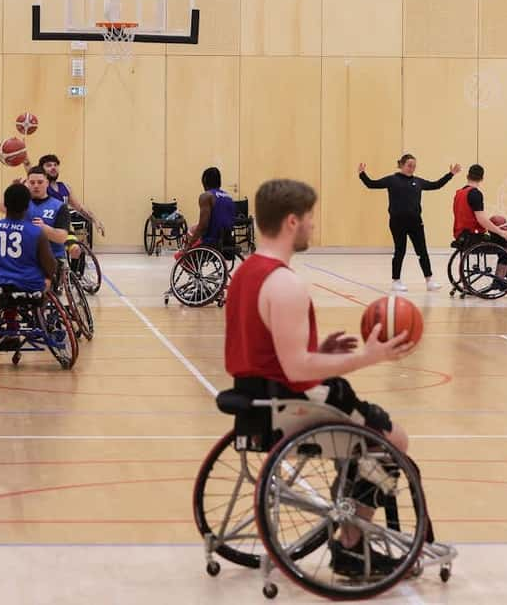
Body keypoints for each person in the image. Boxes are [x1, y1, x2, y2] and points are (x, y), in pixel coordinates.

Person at [225, 178, 414, 576]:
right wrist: (368, 356)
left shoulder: (246, 273)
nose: (314, 225)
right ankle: (350, 541)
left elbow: (268, 350)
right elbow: (297, 370)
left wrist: (319, 351)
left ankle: (348, 500)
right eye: (310, 217)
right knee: (393, 439)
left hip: (256, 393)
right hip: (288, 403)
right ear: (292, 221)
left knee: (367, 427)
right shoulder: (285, 283)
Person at [358, 154, 461, 292]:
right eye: (409, 165)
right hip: (397, 222)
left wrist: (451, 174)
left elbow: (436, 185)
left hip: (415, 222)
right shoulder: (392, 180)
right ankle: (396, 281)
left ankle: (429, 280)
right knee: (400, 250)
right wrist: (362, 174)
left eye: (414, 166)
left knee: (422, 251)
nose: (412, 168)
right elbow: (372, 184)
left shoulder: (418, 182)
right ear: (401, 165)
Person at [0, 183, 56, 292]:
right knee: (48, 280)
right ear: (28, 205)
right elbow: (50, 267)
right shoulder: (37, 232)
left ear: (5, 204)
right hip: (30, 286)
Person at [452, 164, 507, 288]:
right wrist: (501, 232)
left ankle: (500, 277)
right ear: (482, 178)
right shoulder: (475, 194)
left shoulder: (459, 193)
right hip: (474, 238)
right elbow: (482, 220)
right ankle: (499, 280)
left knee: (500, 240)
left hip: (461, 236)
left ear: (467, 176)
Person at [37, 154, 105, 238]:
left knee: (75, 249)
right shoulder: (40, 186)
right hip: (46, 228)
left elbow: (79, 207)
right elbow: (29, 170)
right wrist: (25, 160)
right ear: (41, 169)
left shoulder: (65, 187)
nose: (53, 167)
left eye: (55, 165)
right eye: (49, 165)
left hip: (63, 228)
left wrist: (95, 220)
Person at [24, 166, 70, 268]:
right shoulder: (22, 204)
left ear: (47, 183)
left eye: (40, 182)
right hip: (25, 257)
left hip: (52, 258)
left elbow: (62, 238)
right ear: (27, 184)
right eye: (32, 183)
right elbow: (3, 207)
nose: (36, 186)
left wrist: (44, 229)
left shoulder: (59, 206)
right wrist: (13, 188)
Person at [181, 167, 235, 250]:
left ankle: (189, 260)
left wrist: (189, 245)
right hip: (228, 239)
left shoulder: (206, 196)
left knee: (191, 231)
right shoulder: (228, 197)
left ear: (205, 182)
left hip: (212, 240)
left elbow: (203, 225)